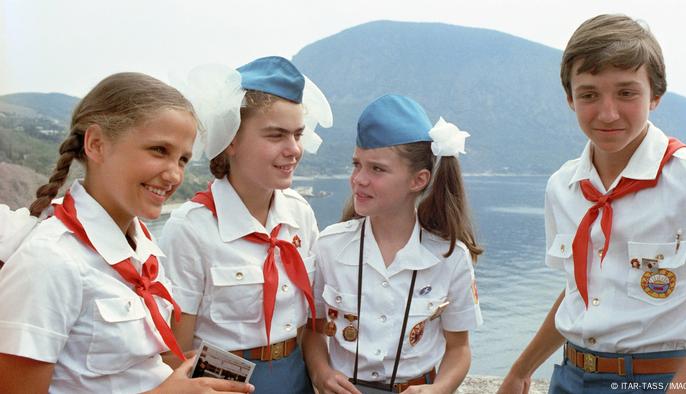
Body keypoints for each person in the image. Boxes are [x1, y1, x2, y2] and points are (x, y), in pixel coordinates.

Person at [0, 72, 254, 394]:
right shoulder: (50, 261)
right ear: (96, 144)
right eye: (159, 150)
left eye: (183, 159)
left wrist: (180, 374)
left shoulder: (143, 245)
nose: (174, 174)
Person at [498, 14, 686, 394]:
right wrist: (521, 370)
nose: (607, 113)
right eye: (589, 94)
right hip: (571, 377)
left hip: (658, 381)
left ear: (655, 95)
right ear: (570, 98)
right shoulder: (564, 186)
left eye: (626, 93)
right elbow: (578, 291)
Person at [158, 56, 333, 393]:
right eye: (276, 135)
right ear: (231, 140)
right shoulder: (192, 228)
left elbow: (312, 322)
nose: (294, 149)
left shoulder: (299, 215)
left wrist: (321, 371)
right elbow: (174, 352)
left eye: (297, 134)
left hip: (298, 378)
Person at [302, 94, 483, 393]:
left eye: (377, 169)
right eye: (357, 164)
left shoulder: (451, 257)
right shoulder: (330, 246)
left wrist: (439, 389)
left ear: (418, 180)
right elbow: (312, 330)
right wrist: (321, 372)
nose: (359, 179)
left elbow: (459, 349)